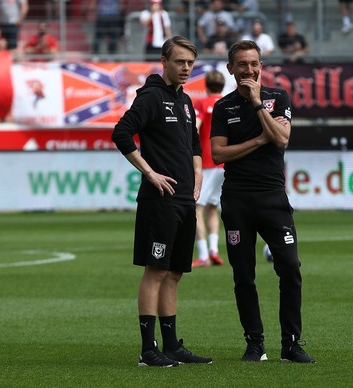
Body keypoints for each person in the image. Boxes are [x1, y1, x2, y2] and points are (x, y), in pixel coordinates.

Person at [210, 40, 316, 363]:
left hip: (273, 198)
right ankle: (255, 343)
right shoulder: (223, 107)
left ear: (261, 65)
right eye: (242, 64)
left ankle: (291, 343)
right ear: (230, 69)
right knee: (243, 275)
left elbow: (282, 138)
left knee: (290, 269)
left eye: (254, 63)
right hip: (237, 200)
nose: (249, 70)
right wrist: (259, 138)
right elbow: (218, 153)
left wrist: (257, 103)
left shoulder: (277, 97)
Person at [111, 35, 213, 368]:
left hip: (185, 199)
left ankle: (171, 346)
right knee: (156, 271)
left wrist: (197, 172)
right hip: (160, 200)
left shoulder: (184, 101)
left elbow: (194, 142)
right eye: (180, 61)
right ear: (164, 61)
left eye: (190, 63)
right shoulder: (151, 97)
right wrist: (150, 173)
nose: (186, 68)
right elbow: (121, 133)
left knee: (174, 274)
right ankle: (147, 349)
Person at [192, 70, 226, 268]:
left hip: (206, 162)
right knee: (213, 208)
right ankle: (214, 250)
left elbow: (195, 128)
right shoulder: (227, 104)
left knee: (197, 208)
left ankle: (203, 254)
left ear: (206, 85)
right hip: (225, 162)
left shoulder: (202, 104)